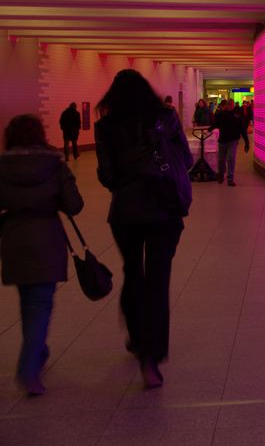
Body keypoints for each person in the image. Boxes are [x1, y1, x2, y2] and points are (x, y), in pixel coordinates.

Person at [95, 69, 193, 389]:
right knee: (158, 280)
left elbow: (107, 176)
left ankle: (138, 342)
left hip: (125, 213)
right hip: (163, 210)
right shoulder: (165, 118)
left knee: (133, 275)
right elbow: (185, 161)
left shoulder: (106, 126)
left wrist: (127, 180)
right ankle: (152, 358)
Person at [0, 114, 84, 395]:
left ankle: (39, 350)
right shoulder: (54, 165)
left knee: (28, 299)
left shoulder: (2, 167)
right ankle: (28, 367)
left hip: (13, 239)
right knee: (40, 303)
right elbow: (74, 205)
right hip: (47, 238)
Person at [209, 99, 249, 186]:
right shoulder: (221, 114)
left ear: (233, 105)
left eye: (231, 105)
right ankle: (221, 176)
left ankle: (229, 178)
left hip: (232, 141)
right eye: (229, 105)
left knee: (229, 159)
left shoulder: (236, 116)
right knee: (222, 160)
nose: (230, 106)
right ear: (227, 105)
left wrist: (247, 142)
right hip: (223, 141)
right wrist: (209, 129)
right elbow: (216, 124)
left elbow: (242, 129)